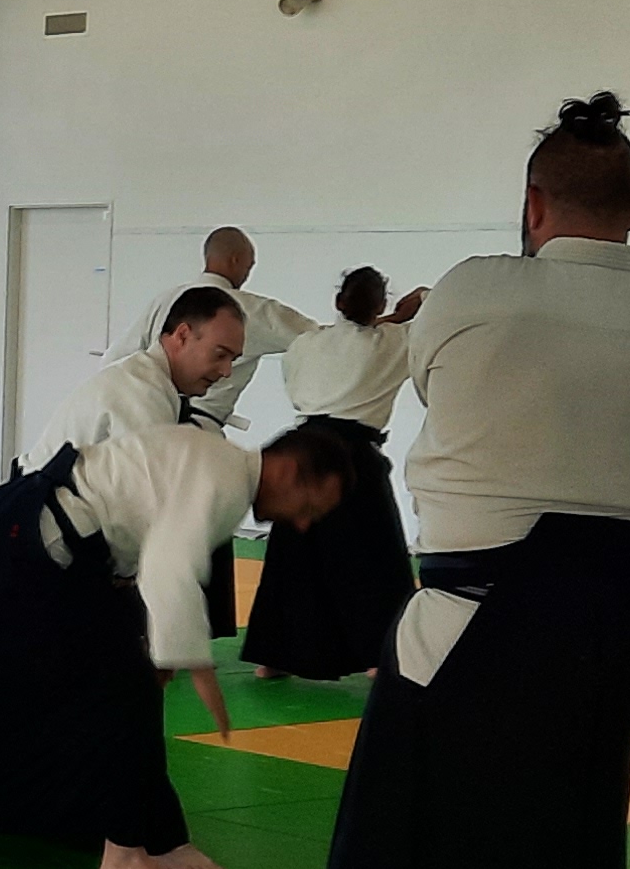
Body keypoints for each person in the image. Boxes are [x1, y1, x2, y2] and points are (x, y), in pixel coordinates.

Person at [232, 93, 630, 869]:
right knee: (566, 837)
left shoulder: (473, 288)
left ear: (532, 204)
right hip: (618, 608)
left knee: (394, 831)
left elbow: (442, 392)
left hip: (478, 609)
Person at [0, 421, 358, 869]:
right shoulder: (223, 480)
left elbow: (143, 531)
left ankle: (156, 837)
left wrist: (167, 651)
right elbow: (169, 567)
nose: (303, 522)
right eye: (310, 506)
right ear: (289, 471)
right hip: (33, 538)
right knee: (101, 690)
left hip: (36, 530)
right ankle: (124, 855)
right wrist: (198, 667)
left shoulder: (216, 462)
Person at [240, 267, 426, 680]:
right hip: (354, 455)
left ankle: (275, 656)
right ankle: (380, 655)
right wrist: (410, 308)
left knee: (295, 556)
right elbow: (423, 317)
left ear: (338, 302)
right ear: (381, 304)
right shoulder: (394, 341)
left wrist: (386, 319)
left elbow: (348, 338)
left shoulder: (307, 342)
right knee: (373, 556)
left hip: (302, 447)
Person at [31, 286, 246, 634]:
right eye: (220, 355)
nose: (226, 371)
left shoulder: (151, 384)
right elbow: (148, 506)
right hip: (38, 541)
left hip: (57, 534)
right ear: (181, 335)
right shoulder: (141, 394)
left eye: (233, 359)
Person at [134, 227, 319, 428]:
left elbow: (119, 356)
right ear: (235, 260)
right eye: (249, 266)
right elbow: (322, 339)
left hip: (148, 422)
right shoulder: (252, 310)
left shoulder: (164, 300)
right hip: (200, 426)